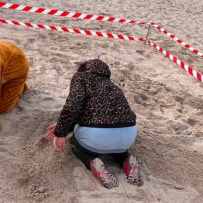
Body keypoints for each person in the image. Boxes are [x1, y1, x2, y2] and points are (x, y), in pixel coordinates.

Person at [46, 60, 142, 189]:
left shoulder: (82, 77)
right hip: (128, 134)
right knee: (118, 149)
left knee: (76, 144)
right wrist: (62, 125)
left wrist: (61, 133)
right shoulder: (112, 85)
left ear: (83, 70)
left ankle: (92, 162)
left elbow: (73, 107)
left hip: (97, 136)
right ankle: (126, 160)